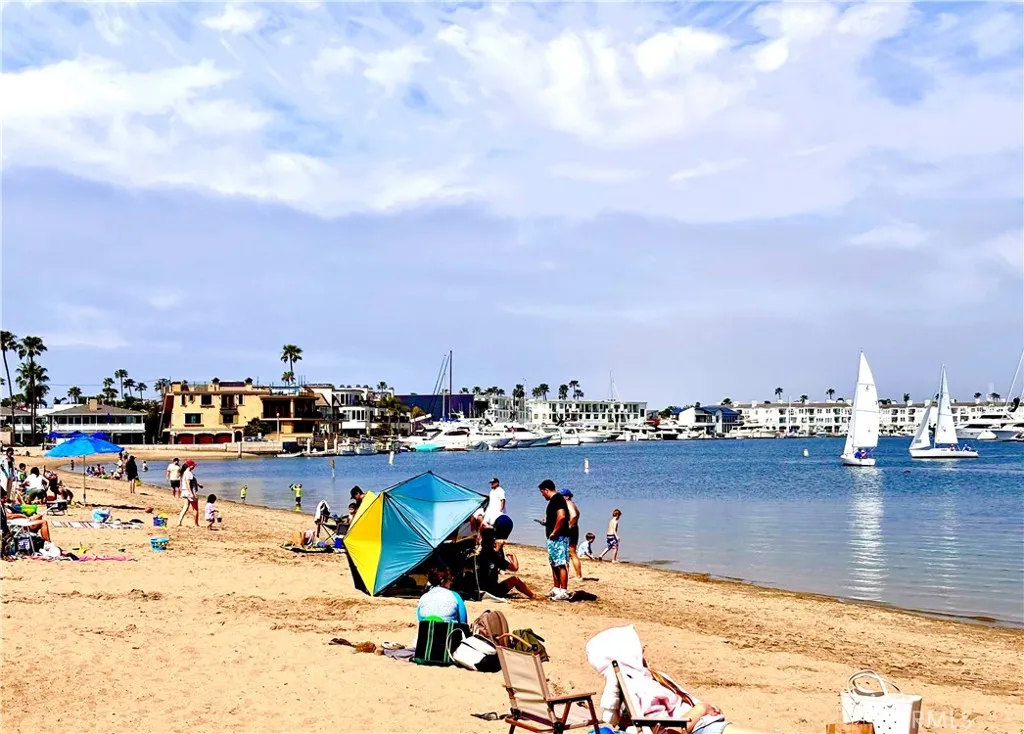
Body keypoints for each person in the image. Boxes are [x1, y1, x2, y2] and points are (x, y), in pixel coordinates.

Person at [477, 527, 536, 599]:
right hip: (493, 591)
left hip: (478, 588)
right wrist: (513, 556)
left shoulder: (478, 555)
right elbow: (514, 568)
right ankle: (532, 596)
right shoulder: (495, 558)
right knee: (515, 579)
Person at [538, 479, 571, 601]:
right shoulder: (553, 501)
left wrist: (554, 532)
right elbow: (556, 517)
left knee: (561, 563)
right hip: (553, 537)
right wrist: (548, 523)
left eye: (542, 493)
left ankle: (563, 591)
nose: (542, 496)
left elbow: (562, 516)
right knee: (554, 563)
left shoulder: (558, 499)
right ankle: (556, 588)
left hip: (559, 537)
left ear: (546, 490)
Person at [560, 488, 583, 581]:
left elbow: (574, 515)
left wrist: (569, 525)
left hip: (571, 531)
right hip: (574, 530)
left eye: (561, 496)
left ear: (566, 497)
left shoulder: (568, 504)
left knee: (572, 553)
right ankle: (569, 574)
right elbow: (578, 514)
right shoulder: (572, 504)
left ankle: (578, 576)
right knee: (569, 553)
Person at [176, 460, 200, 527]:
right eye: (194, 465)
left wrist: (198, 485)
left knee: (185, 507)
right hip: (189, 492)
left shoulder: (184, 473)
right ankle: (196, 524)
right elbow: (187, 483)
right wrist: (191, 493)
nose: (194, 467)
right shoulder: (189, 473)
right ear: (190, 466)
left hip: (184, 492)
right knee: (195, 509)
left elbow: (188, 482)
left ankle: (179, 522)